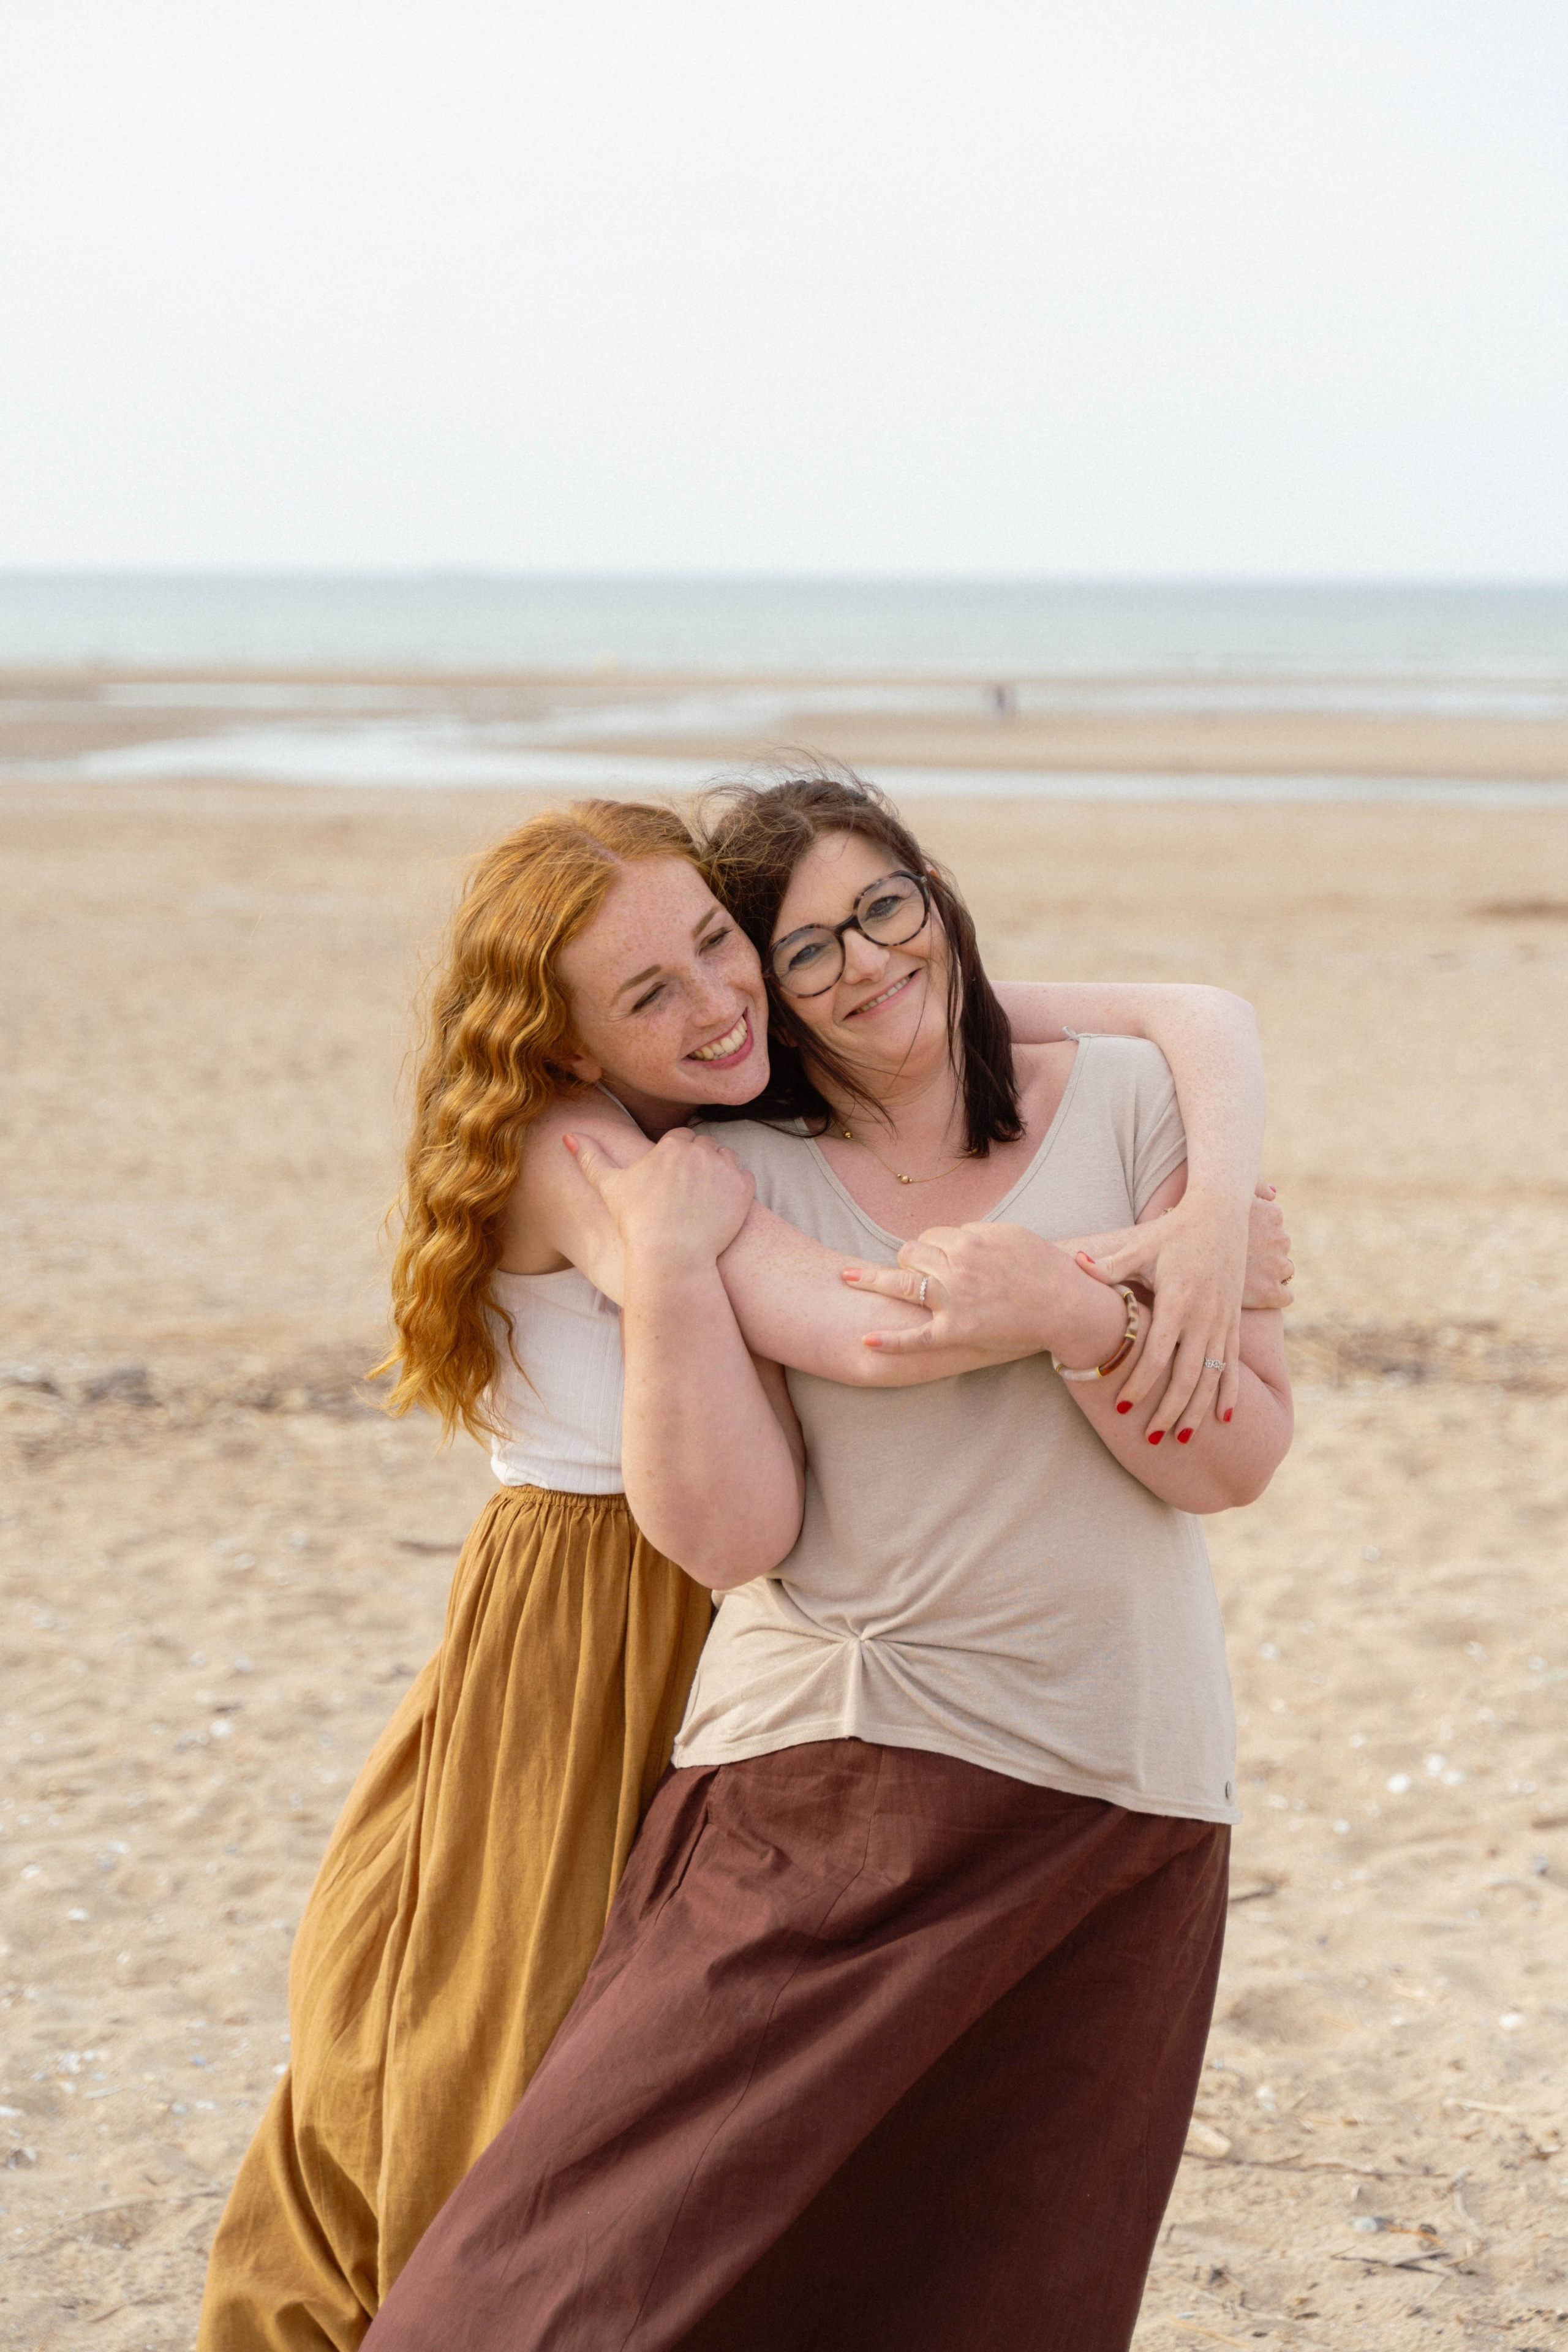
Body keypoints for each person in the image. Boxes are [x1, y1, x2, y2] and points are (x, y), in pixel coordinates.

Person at [199, 791, 1289, 2350]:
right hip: (601, 1619)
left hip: (721, 1616)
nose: (718, 1000)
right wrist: (1125, 1269)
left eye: (721, 946)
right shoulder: (612, 1153)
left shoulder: (770, 1067)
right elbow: (857, 1336)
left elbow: (1192, 1013)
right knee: (513, 2076)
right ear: (566, 1042)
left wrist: (1197, 1227)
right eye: (653, 990)